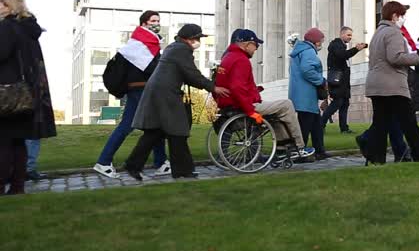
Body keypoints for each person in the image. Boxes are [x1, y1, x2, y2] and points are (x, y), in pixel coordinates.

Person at [124, 24, 230, 180]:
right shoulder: (182, 50)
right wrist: (213, 87)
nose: (198, 42)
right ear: (189, 38)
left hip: (159, 94)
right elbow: (192, 74)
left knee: (155, 132)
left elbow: (187, 76)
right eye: (197, 38)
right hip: (166, 95)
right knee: (177, 132)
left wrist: (208, 85)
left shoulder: (174, 48)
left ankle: (134, 165)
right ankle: (182, 171)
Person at [214, 28, 313, 159]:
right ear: (246, 44)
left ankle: (283, 147)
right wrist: (251, 112)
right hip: (242, 106)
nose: (256, 49)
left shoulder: (227, 58)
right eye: (255, 45)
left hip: (229, 105)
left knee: (277, 112)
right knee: (287, 105)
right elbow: (237, 87)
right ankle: (299, 147)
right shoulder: (241, 60)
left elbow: (225, 84)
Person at [93, 10, 169, 179]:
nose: (157, 24)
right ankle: (104, 162)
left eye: (158, 20)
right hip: (140, 90)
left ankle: (161, 162)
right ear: (144, 24)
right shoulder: (143, 43)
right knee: (130, 126)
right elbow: (152, 68)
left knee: (154, 126)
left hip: (140, 89)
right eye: (153, 21)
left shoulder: (143, 42)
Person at [362, 1, 419, 164]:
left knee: (381, 124)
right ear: (394, 16)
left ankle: (375, 159)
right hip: (392, 85)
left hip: (377, 85)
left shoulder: (378, 33)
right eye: (402, 16)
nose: (403, 19)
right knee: (409, 123)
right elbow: (395, 57)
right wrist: (418, 57)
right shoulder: (393, 33)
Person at [0, 0, 57, 195]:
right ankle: (17, 187)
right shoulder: (28, 29)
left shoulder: (7, 27)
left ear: (9, 5)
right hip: (27, 93)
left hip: (7, 93)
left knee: (4, 142)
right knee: (18, 142)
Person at [289, 27, 330, 160]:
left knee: (315, 123)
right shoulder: (308, 51)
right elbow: (307, 70)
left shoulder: (299, 51)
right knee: (305, 125)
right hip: (306, 94)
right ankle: (301, 153)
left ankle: (319, 151)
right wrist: (321, 81)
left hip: (301, 93)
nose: (321, 44)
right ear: (315, 41)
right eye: (320, 41)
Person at [320, 27, 367, 134]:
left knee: (344, 104)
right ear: (342, 34)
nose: (350, 37)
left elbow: (344, 56)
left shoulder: (341, 46)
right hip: (338, 81)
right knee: (337, 103)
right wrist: (356, 49)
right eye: (348, 35)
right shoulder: (336, 45)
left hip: (343, 82)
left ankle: (344, 128)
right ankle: (321, 124)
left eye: (351, 35)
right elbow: (343, 55)